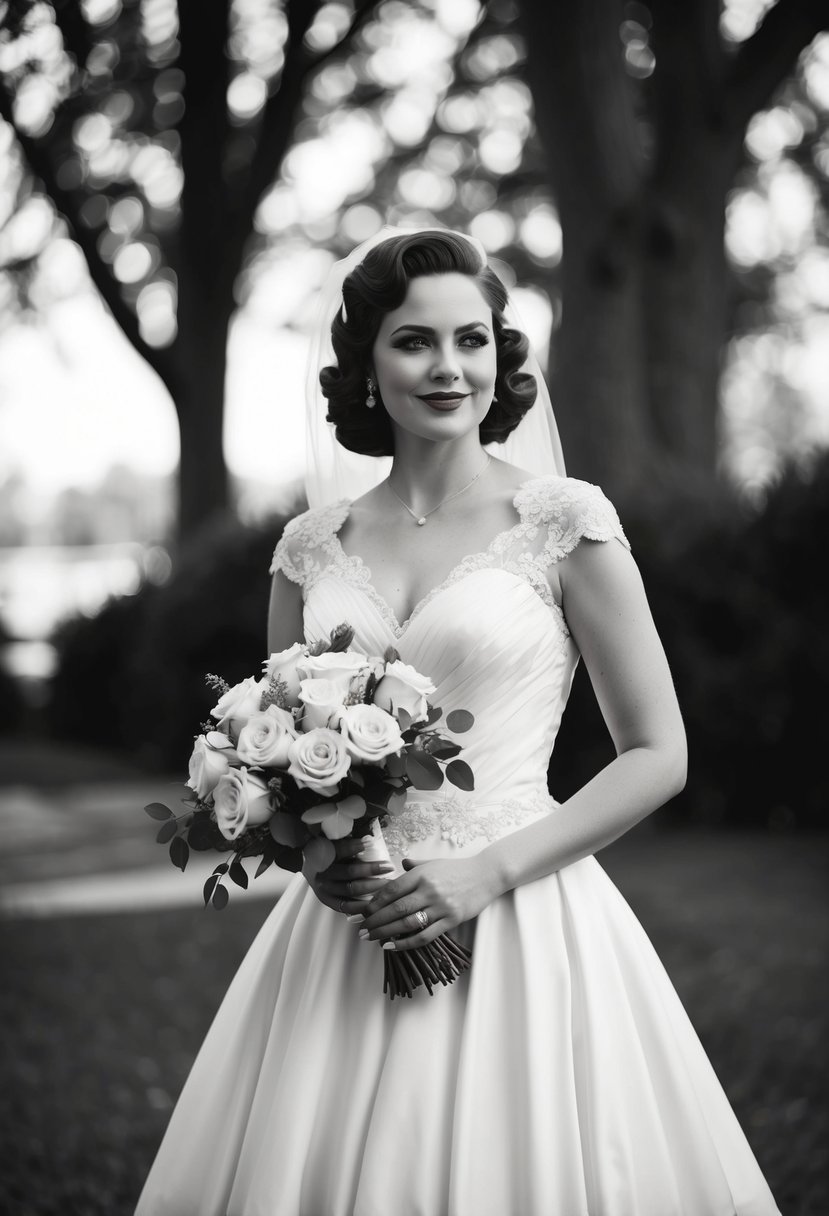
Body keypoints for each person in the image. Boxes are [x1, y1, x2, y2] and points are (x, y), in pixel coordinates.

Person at [136, 229, 781, 1215]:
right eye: (414, 341)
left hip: (526, 908)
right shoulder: (310, 548)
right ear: (365, 365)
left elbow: (659, 753)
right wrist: (324, 852)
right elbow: (275, 749)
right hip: (352, 921)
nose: (449, 368)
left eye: (471, 340)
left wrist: (483, 873)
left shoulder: (564, 522)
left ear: (499, 355)